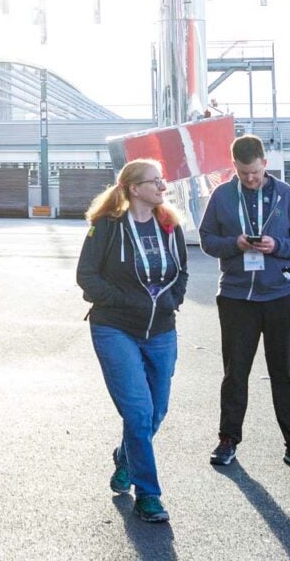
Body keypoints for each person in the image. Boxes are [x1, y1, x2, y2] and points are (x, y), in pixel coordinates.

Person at [77, 159, 188, 523]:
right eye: (154, 182)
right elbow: (87, 277)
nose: (162, 187)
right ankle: (148, 494)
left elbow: (182, 272)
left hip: (161, 330)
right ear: (133, 188)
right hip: (115, 328)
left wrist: (172, 300)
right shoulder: (106, 227)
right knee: (138, 413)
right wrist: (129, 301)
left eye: (162, 180)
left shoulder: (169, 225)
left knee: (157, 411)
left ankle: (126, 457)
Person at [197, 135, 290, 471]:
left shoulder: (286, 195)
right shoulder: (222, 196)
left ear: (265, 163)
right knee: (235, 373)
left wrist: (276, 245)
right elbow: (207, 240)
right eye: (242, 173)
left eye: (254, 172)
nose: (250, 179)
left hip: (281, 296)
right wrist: (234, 243)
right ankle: (228, 440)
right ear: (233, 167)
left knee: (284, 373)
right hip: (237, 297)